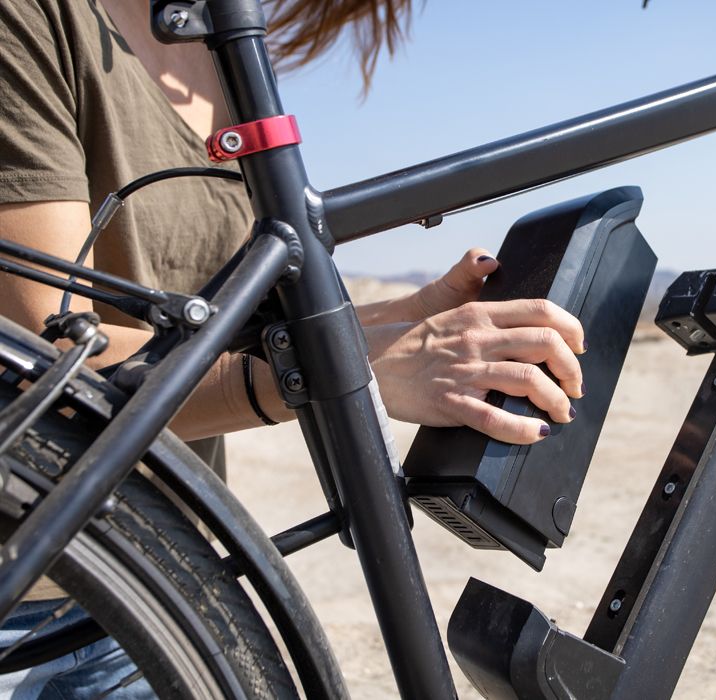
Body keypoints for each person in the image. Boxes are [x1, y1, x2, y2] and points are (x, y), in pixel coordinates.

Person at [0, 0, 583, 695]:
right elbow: (51, 370)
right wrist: (339, 368)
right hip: (22, 596)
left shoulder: (219, 49)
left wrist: (402, 321)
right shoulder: (30, 19)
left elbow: (222, 326)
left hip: (147, 578)